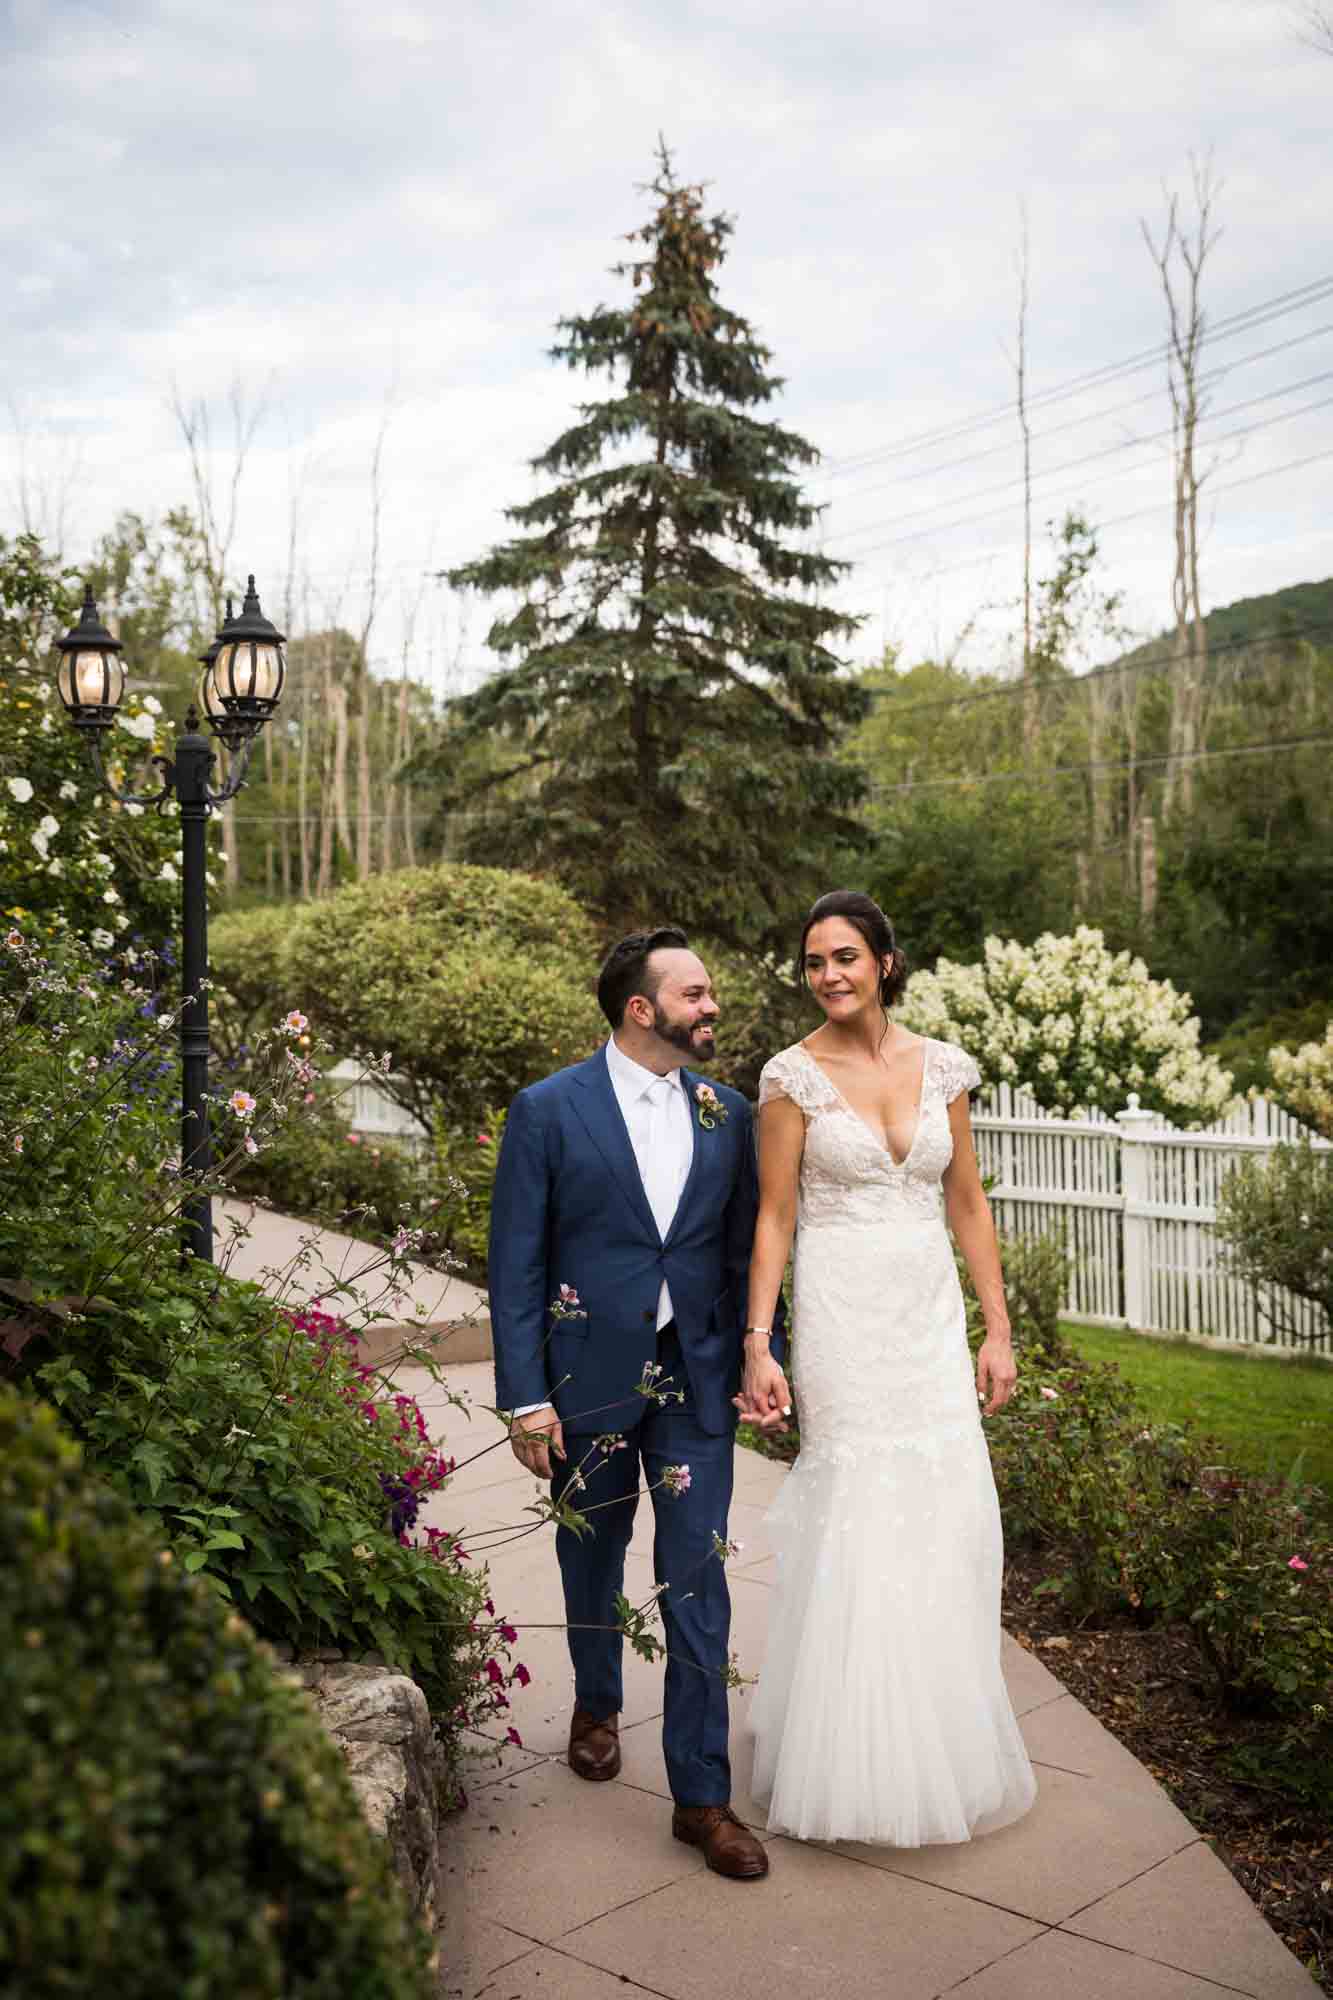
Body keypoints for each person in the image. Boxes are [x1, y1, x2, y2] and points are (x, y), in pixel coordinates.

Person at [488, 927, 788, 1880]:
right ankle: (596, 1698)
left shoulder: (727, 1113)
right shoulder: (546, 1110)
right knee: (591, 1555)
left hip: (695, 1378)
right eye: (695, 993)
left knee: (698, 1575)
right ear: (641, 1010)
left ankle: (701, 1800)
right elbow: (516, 1265)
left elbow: (746, 1250)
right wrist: (525, 1398)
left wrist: (759, 1353)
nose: (711, 1007)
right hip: (589, 1380)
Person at [744, 890, 1037, 1845]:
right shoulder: (789, 1077)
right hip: (841, 1318)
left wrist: (995, 1330)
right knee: (862, 1510)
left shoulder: (942, 1066)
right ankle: (847, 1759)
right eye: (814, 962)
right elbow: (775, 1216)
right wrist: (760, 1340)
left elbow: (967, 1205)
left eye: (844, 957)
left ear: (884, 962)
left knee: (941, 1507)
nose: (828, 975)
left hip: (924, 1320)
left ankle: (937, 1743)